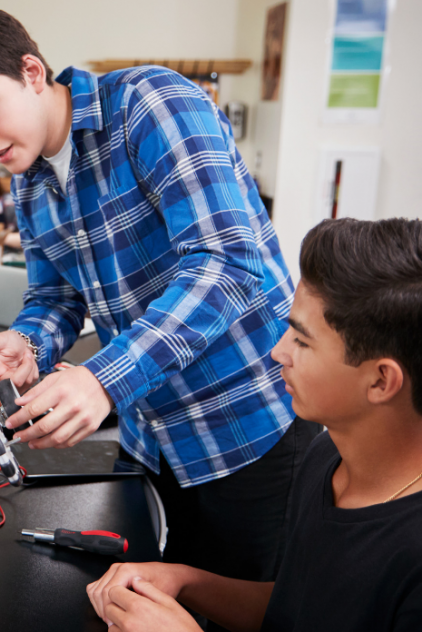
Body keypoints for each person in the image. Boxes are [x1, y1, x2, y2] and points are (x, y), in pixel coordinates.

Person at [0, 8, 315, 606]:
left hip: (246, 424)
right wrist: (29, 343)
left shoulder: (152, 106)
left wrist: (102, 380)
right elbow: (56, 295)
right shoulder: (29, 179)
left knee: (245, 610)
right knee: (161, 604)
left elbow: (227, 263)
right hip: (152, 437)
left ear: (32, 71)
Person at [87, 217, 422, 632]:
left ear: (381, 380)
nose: (277, 352)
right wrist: (184, 580)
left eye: (302, 340)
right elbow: (293, 610)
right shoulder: (327, 456)